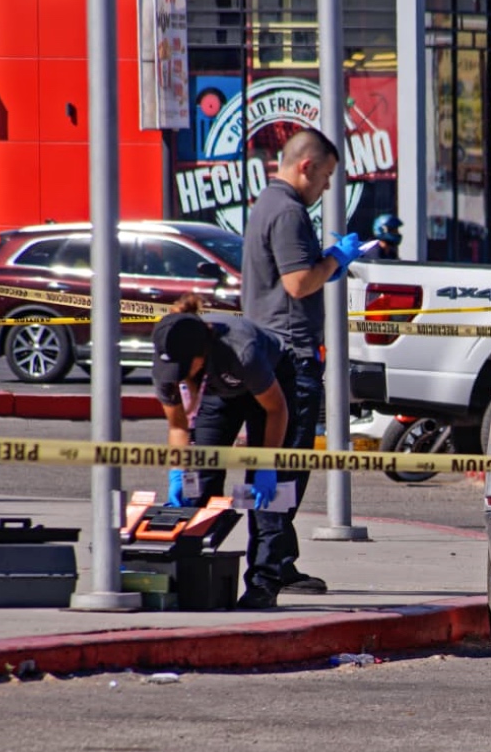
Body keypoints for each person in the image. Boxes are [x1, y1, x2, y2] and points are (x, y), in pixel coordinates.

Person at [240, 127, 360, 602]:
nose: (327, 187)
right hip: (291, 357)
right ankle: (266, 574)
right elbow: (297, 283)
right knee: (284, 471)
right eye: (326, 176)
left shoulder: (265, 204)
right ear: (305, 166)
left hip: (269, 354)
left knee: (270, 469)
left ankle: (277, 562)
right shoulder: (289, 212)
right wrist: (334, 260)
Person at [152, 294, 295, 609]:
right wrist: (179, 471)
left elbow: (276, 409)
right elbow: (178, 426)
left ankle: (263, 583)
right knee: (199, 479)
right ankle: (193, 573)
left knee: (263, 493)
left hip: (271, 386)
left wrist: (267, 465)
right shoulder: (167, 361)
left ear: (200, 355)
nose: (175, 377)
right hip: (220, 393)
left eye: (182, 369)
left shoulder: (241, 351)